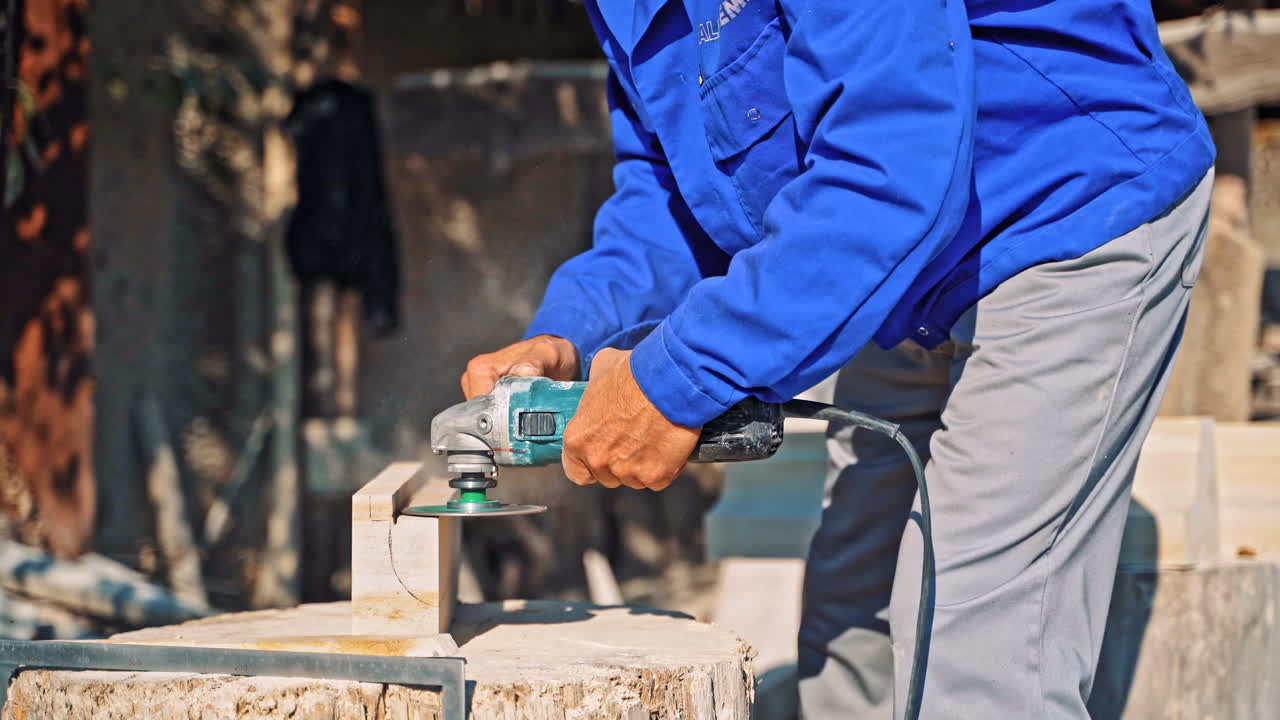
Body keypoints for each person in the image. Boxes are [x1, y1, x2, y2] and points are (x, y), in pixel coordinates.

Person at [461, 0, 1215, 716]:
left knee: (978, 654)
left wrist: (678, 379)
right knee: (855, 629)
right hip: (890, 268)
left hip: (1062, 214)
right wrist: (577, 332)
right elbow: (673, 188)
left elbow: (890, 158)